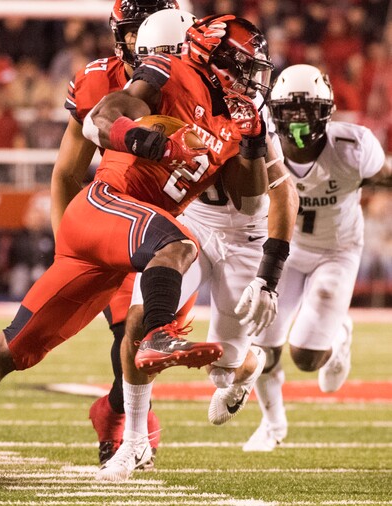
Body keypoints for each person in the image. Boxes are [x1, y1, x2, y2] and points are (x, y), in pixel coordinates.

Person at [0, 14, 274, 486]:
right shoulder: (170, 71)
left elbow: (249, 200)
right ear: (213, 59)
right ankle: (157, 337)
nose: (252, 80)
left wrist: (251, 143)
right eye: (244, 67)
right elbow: (103, 115)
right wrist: (141, 139)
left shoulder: (239, 119)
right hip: (107, 205)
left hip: (121, 238)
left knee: (16, 346)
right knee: (181, 242)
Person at [97, 9, 299, 482]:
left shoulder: (246, 106)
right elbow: (113, 114)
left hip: (245, 234)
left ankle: (249, 366)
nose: (253, 78)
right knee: (141, 321)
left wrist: (270, 277)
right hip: (191, 222)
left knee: (226, 364)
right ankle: (133, 444)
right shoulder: (165, 83)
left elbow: (268, 195)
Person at [52, 0, 181, 467]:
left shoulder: (204, 78)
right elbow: (68, 172)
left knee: (152, 332)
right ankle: (123, 427)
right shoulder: (99, 81)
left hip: (182, 222)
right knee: (132, 327)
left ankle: (113, 410)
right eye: (137, 31)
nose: (145, 42)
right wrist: (65, 244)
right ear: (120, 35)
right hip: (119, 216)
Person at [242, 64, 392, 452]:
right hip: (284, 249)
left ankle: (339, 334)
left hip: (337, 251)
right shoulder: (263, 145)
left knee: (308, 359)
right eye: (290, 112)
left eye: (307, 111)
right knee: (261, 350)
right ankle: (272, 425)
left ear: (326, 112)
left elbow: (385, 175)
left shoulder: (353, 148)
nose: (298, 121)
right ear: (275, 113)